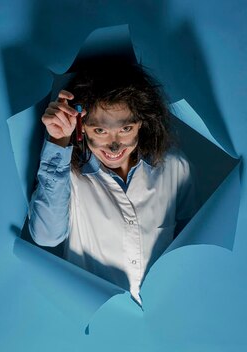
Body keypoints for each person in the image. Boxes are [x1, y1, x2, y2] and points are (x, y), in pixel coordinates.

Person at [27, 63, 198, 305]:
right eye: (100, 130)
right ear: (82, 128)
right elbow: (46, 237)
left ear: (142, 122)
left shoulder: (176, 167)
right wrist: (57, 141)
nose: (115, 145)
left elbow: (189, 245)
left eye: (125, 128)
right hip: (97, 324)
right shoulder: (69, 178)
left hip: (165, 317)